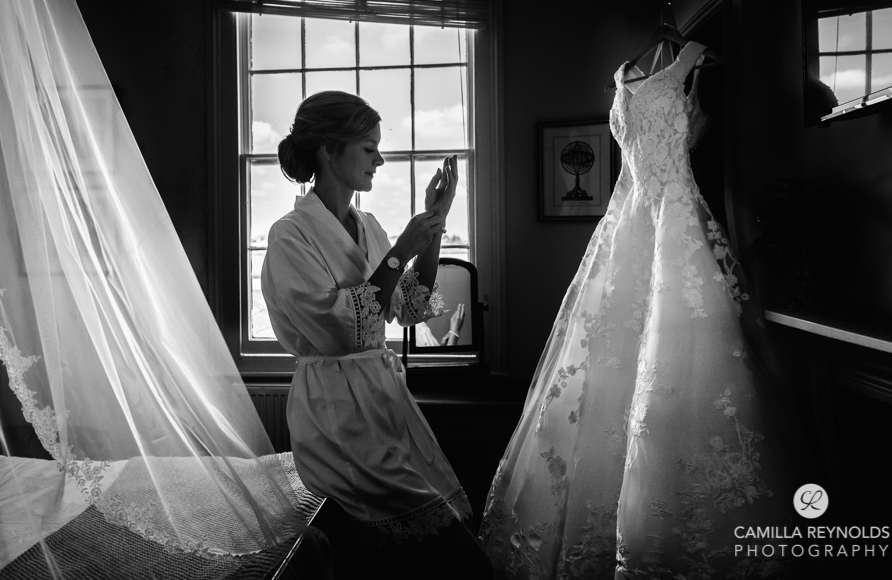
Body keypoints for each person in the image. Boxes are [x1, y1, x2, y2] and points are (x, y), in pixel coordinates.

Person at [480, 41, 799, 578]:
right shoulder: (684, 61)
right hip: (661, 213)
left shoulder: (631, 74)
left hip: (637, 217)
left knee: (648, 356)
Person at [261, 91, 492, 579]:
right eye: (368, 149)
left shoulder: (368, 226)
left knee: (437, 543)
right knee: (455, 557)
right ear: (329, 150)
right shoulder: (290, 236)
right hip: (334, 413)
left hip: (384, 403)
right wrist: (401, 250)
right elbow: (341, 331)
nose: (380, 160)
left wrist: (433, 229)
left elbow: (409, 307)